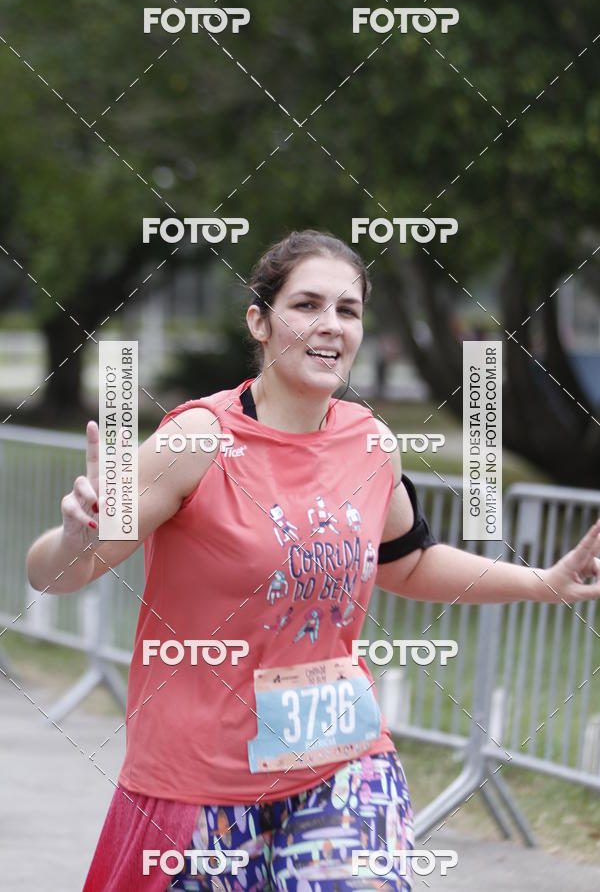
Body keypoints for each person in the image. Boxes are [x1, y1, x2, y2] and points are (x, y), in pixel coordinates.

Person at [27, 229, 600, 892]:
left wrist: (543, 582)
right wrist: (76, 536)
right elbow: (55, 574)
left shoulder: (371, 443)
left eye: (347, 310)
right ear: (260, 322)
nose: (329, 326)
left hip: (339, 758)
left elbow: (408, 562)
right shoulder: (198, 440)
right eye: (306, 305)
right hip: (204, 775)